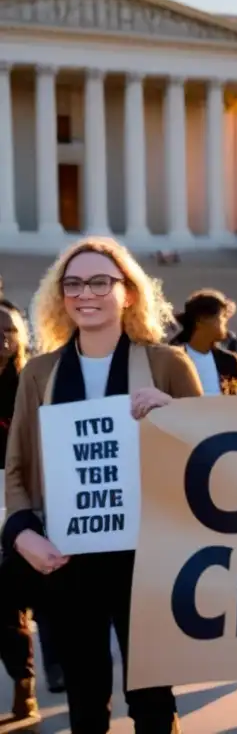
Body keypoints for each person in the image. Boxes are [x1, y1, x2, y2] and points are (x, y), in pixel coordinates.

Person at [2, 237, 203, 733]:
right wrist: (21, 531)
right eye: (73, 284)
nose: (84, 293)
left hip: (150, 561)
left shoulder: (167, 364)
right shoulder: (39, 374)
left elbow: (211, 455)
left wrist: (174, 415)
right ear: (60, 295)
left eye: (99, 282)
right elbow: (19, 469)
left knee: (153, 701)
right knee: (86, 703)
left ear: (128, 293)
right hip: (69, 561)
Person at [0, 300, 38, 722]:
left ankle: (23, 683)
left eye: (10, 329)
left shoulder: (30, 382)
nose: (3, 338)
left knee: (7, 602)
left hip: (17, 506)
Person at [171, 289, 237, 395]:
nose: (225, 322)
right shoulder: (173, 360)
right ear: (201, 320)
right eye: (222, 316)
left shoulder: (231, 361)